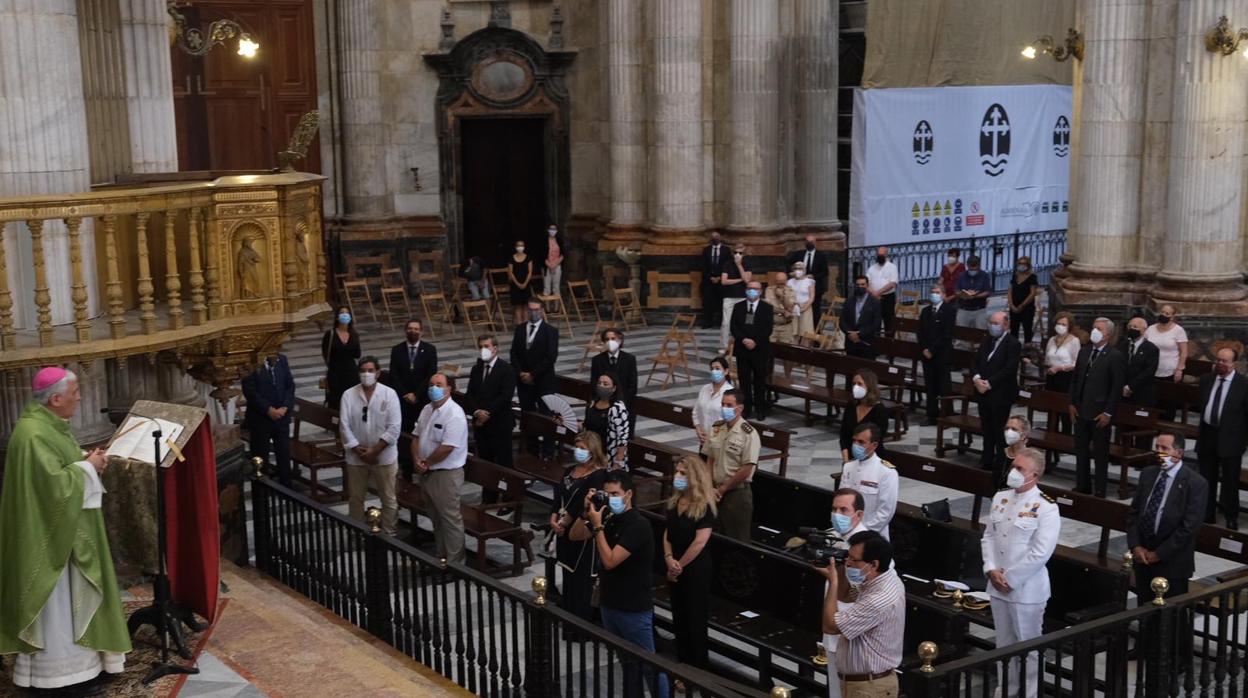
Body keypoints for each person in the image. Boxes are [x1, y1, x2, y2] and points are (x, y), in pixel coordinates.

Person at [0, 367, 130, 690]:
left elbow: (59, 467)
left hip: (63, 532)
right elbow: (52, 487)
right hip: (48, 540)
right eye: (74, 392)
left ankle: (82, 670)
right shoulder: (33, 434)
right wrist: (89, 467)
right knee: (58, 610)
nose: (80, 397)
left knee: (71, 605)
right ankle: (59, 678)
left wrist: (83, 460)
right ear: (55, 398)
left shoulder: (48, 424)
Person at [571, 471, 669, 698]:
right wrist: (586, 511)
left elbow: (610, 560)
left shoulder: (638, 525)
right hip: (609, 603)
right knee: (627, 664)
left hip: (633, 608)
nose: (611, 498)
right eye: (607, 494)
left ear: (628, 495)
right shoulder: (606, 517)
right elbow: (575, 536)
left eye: (615, 494)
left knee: (649, 665)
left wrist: (597, 528)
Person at [981, 448, 1060, 698]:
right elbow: (989, 536)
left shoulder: (1046, 507)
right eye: (1013, 466)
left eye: (1020, 469)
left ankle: (1029, 693)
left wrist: (1010, 578)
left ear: (1034, 475)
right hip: (997, 585)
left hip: (1026, 589)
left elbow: (1040, 552)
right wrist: (991, 569)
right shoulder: (1000, 497)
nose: (1013, 472)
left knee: (1028, 647)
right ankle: (1006, 689)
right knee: (1003, 645)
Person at [816, 531, 905, 698]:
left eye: (853, 560)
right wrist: (841, 568)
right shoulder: (881, 579)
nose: (848, 562)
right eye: (847, 557)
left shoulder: (879, 599)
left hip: (869, 688)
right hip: (862, 684)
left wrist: (832, 581)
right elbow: (846, 595)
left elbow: (829, 626)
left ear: (873, 564)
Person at [1128, 432, 1206, 599]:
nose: (1159, 452)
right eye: (1157, 447)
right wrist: (1136, 546)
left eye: (1165, 448)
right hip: (1143, 558)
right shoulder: (1148, 473)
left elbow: (1189, 527)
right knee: (1144, 612)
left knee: (1169, 619)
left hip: (1172, 563)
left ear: (1179, 452)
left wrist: (1159, 554)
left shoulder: (1195, 483)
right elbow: (1134, 513)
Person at [663, 455, 717, 672]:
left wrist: (679, 565)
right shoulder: (675, 501)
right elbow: (668, 532)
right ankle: (682, 663)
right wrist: (668, 559)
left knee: (695, 618)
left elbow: (700, 542)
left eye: (683, 473)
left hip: (694, 568)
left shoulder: (704, 506)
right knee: (679, 616)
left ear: (694, 477)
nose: (677, 476)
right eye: (677, 472)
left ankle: (697, 669)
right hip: (674, 564)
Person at [339, 356, 402, 535]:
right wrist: (356, 448)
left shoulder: (389, 394)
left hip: (384, 456)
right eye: (363, 370)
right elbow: (344, 425)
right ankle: (356, 532)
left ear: (378, 373)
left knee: (388, 498)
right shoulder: (349, 395)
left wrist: (375, 450)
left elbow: (394, 427)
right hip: (356, 456)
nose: (366, 374)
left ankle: (390, 533)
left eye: (370, 370)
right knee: (356, 497)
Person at [551, 432, 609, 623]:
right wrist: (554, 519)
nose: (579, 451)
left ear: (593, 451)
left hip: (581, 529)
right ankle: (568, 620)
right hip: (561, 529)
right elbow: (558, 495)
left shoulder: (598, 475)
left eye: (583, 448)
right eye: (577, 447)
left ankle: (580, 626)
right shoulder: (569, 471)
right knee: (568, 578)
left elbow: (583, 505)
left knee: (581, 582)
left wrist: (565, 521)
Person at [412, 372, 469, 565]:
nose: (433, 388)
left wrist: (426, 461)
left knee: (450, 520)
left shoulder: (455, 414)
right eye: (431, 384)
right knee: (436, 519)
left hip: (445, 474)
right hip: (426, 471)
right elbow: (416, 436)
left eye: (438, 384)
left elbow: (448, 446)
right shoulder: (427, 409)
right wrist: (417, 458)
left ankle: (455, 563)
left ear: (449, 389)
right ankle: (441, 556)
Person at [823, 488, 871, 698]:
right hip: (832, 620)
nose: (837, 515)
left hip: (855, 627)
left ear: (858, 514)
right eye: (834, 509)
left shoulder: (869, 545)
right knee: (835, 688)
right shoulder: (830, 537)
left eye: (844, 510)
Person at [1069, 318, 1125, 497]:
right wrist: (1071, 403)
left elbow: (1116, 388)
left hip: (1100, 412)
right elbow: (1075, 379)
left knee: (1100, 454)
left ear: (1107, 334)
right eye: (1093, 327)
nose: (1094, 331)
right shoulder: (1084, 352)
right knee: (1081, 451)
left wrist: (1108, 412)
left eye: (1098, 329)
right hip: (1080, 410)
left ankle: (1100, 488)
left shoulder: (1115, 356)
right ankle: (1082, 485)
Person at [1196, 346, 1248, 528]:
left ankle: (1230, 516)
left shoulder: (1243, 385)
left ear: (1234, 364)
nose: (1220, 364)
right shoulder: (1206, 380)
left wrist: (1243, 441)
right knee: (1206, 479)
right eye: (1218, 360)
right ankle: (1207, 514)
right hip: (1208, 434)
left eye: (1224, 361)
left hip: (1231, 439)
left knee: (1230, 481)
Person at [706, 390, 759, 541]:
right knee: (713, 536)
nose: (724, 408)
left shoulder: (749, 434)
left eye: (729, 405)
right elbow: (710, 459)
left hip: (736, 494)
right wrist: (709, 485)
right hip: (714, 491)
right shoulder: (717, 427)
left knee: (736, 538)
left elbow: (746, 468)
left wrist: (723, 489)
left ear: (740, 408)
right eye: (723, 404)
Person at [388, 319, 438, 477]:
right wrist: (405, 393)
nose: (413, 331)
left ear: (421, 331)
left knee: (421, 434)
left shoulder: (429, 350)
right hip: (402, 401)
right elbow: (394, 375)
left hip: (421, 400)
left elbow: (430, 374)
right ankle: (406, 467)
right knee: (404, 433)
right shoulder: (397, 350)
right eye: (410, 328)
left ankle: (420, 464)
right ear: (405, 330)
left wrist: (417, 394)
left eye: (416, 329)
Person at [973, 311, 1021, 470]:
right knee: (986, 428)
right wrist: (977, 378)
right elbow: (977, 361)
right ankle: (986, 459)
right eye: (991, 323)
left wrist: (989, 383)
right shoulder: (986, 340)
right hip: (982, 392)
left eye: (996, 323)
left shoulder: (1013, 343)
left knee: (999, 429)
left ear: (1006, 324)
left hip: (1000, 393)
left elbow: (1009, 369)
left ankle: (1001, 461)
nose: (992, 326)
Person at [241, 351, 296, 486]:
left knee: (283, 454)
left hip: (281, 417)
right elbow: (250, 391)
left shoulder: (282, 359)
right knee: (261, 456)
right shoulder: (251, 363)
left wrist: (285, 407)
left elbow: (290, 386)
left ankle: (286, 486)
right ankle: (262, 487)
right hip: (261, 419)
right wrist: (268, 410)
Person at [839, 424, 898, 541]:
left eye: (861, 442)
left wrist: (861, 534)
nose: (855, 445)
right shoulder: (848, 467)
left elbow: (885, 512)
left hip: (872, 537)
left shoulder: (886, 472)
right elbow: (841, 503)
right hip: (846, 532)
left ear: (874, 445)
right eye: (854, 441)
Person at [466, 334, 516, 470]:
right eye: (481, 347)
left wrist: (487, 413)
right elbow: (470, 394)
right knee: (486, 465)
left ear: (495, 348)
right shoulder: (476, 369)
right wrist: (477, 411)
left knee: (504, 463)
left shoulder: (506, 369)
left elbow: (505, 396)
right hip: (481, 425)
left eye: (486, 346)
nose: (483, 349)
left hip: (499, 423)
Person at [731, 280, 775, 420]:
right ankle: (746, 409)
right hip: (742, 349)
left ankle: (760, 409)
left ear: (760, 291)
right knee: (744, 382)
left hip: (759, 349)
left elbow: (768, 329)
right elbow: (734, 327)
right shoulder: (738, 306)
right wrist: (744, 339)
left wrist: (755, 341)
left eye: (755, 289)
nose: (752, 291)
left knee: (759, 381)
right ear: (746, 290)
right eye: (749, 288)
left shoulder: (767, 308)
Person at [511, 297, 560, 419]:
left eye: (536, 309)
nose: (533, 313)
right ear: (527, 310)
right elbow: (513, 353)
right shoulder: (520, 329)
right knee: (528, 416)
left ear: (542, 310)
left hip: (543, 381)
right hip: (523, 382)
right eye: (531, 310)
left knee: (547, 416)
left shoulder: (551, 331)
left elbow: (551, 357)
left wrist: (532, 374)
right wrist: (520, 372)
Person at [917, 284, 957, 425]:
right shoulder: (926, 311)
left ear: (944, 295)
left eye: (937, 292)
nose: (934, 294)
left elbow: (946, 335)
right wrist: (924, 349)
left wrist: (932, 350)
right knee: (930, 386)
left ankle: (947, 415)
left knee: (944, 386)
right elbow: (920, 332)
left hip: (941, 354)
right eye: (932, 292)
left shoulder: (949, 311)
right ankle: (931, 415)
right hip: (926, 355)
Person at [583, 371, 631, 470]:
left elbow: (622, 438)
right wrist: (566, 421)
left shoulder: (617, 408)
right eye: (599, 383)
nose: (601, 386)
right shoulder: (593, 403)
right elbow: (586, 425)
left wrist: (618, 462)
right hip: (591, 454)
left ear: (614, 388)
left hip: (608, 458)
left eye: (605, 384)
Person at [839, 370, 890, 463]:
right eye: (854, 384)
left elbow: (878, 439)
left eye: (859, 384)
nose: (856, 387)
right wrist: (846, 461)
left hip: (872, 458)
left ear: (869, 386)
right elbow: (843, 435)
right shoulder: (851, 405)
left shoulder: (879, 410)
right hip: (850, 457)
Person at [1044, 312, 1082, 434]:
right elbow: (1047, 359)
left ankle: (1066, 436)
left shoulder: (1074, 341)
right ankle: (1051, 434)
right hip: (1051, 377)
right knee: (1051, 408)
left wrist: (1060, 368)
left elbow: (1077, 363)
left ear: (1069, 326)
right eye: (1058, 323)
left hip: (1066, 378)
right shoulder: (1051, 340)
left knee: (1065, 410)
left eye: (1063, 324)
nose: (1060, 326)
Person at [591, 327, 639, 422]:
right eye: (607, 339)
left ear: (620, 340)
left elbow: (632, 385)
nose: (610, 342)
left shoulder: (629, 359)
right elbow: (594, 383)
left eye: (613, 339)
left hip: (624, 404)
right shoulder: (597, 360)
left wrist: (622, 403)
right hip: (604, 404)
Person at [322, 305, 361, 409]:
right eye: (342, 313)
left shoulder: (354, 334)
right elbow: (326, 355)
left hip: (351, 373)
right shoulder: (330, 334)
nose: (345, 315)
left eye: (347, 313)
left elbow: (358, 354)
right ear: (337, 317)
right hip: (335, 374)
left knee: (352, 403)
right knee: (336, 402)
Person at [691, 356, 733, 452]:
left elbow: (730, 418)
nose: (714, 371)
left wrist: (714, 435)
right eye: (712, 369)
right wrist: (698, 428)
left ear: (726, 371)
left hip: (721, 443)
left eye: (717, 369)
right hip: (704, 440)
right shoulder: (705, 388)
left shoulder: (730, 392)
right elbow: (696, 411)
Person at [1120, 314, 1160, 407]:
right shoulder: (1122, 345)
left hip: (1141, 392)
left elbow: (1148, 372)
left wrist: (1129, 387)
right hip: (1120, 390)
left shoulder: (1151, 349)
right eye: (1130, 326)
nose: (1132, 329)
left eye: (1135, 327)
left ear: (1143, 330)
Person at [788, 234, 830, 320]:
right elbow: (788, 264)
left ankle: (815, 329)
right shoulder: (799, 254)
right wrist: (793, 273)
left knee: (815, 309)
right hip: (799, 286)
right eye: (807, 242)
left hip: (815, 286)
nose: (809, 243)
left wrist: (813, 276)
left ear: (815, 242)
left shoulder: (821, 256)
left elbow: (825, 272)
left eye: (811, 242)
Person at [719, 243, 752, 350]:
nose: (737, 255)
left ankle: (742, 345)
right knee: (725, 323)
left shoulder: (747, 264)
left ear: (744, 254)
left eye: (740, 253)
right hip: (729, 297)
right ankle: (723, 347)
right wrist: (739, 280)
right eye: (735, 252)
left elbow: (747, 280)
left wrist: (739, 265)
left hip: (743, 297)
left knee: (745, 322)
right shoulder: (727, 264)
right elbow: (724, 281)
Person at [842, 275, 881, 359]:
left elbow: (876, 324)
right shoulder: (848, 301)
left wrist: (859, 334)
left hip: (866, 343)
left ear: (867, 285)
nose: (860, 287)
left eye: (863, 284)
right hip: (851, 342)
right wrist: (850, 333)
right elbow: (842, 321)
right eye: (858, 284)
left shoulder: (875, 302)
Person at [866, 246, 899, 335]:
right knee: (875, 321)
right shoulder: (872, 268)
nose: (880, 256)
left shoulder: (892, 267)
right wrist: (873, 293)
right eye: (878, 255)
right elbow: (866, 283)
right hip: (874, 298)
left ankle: (888, 344)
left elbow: (892, 283)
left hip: (887, 298)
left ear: (886, 255)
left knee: (889, 322)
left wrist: (878, 292)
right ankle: (876, 343)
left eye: (882, 255)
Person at [955, 255, 992, 329]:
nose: (972, 271)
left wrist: (975, 296)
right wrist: (963, 295)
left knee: (980, 334)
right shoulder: (961, 276)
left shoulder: (984, 276)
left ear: (979, 265)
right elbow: (956, 290)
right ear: (967, 266)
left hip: (979, 310)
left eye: (975, 269)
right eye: (970, 268)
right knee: (961, 334)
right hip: (964, 309)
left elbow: (987, 291)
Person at [1007, 256, 1038, 344]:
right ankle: (1013, 349)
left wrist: (1022, 305)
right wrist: (1011, 305)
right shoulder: (1015, 276)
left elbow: (1032, 293)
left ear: (1028, 265)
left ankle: (1027, 352)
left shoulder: (1032, 277)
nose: (1021, 265)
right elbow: (1010, 291)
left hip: (1027, 308)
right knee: (1013, 329)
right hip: (1014, 307)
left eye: (1024, 263)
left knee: (1027, 329)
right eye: (1020, 263)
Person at [700, 232, 727, 329]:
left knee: (721, 302)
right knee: (707, 302)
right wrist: (710, 277)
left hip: (722, 280)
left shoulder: (726, 250)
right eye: (713, 237)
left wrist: (720, 277)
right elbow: (702, 266)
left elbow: (727, 265)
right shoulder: (706, 250)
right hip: (708, 280)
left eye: (717, 236)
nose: (715, 238)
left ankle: (721, 323)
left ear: (720, 238)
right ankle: (708, 322)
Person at [766, 270, 798, 346]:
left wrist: (782, 298)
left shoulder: (791, 291)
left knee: (786, 350)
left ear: (786, 281)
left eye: (782, 283)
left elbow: (790, 309)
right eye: (778, 283)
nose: (780, 285)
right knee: (769, 349)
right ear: (775, 281)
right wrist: (784, 312)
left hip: (786, 326)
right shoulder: (769, 290)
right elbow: (769, 307)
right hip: (772, 326)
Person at [507, 239, 534, 325]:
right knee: (517, 306)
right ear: (515, 247)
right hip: (515, 284)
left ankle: (526, 324)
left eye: (522, 245)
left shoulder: (528, 257)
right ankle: (519, 325)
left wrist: (525, 283)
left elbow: (530, 272)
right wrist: (517, 283)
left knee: (526, 306)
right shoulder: (511, 258)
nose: (520, 247)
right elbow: (510, 272)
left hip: (526, 283)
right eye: (518, 245)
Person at [789, 261, 817, 336]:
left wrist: (804, 308)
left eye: (800, 269)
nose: (798, 271)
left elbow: (812, 297)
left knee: (806, 333)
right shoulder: (789, 282)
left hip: (806, 307)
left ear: (804, 270)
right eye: (796, 268)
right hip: (793, 307)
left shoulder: (810, 281)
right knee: (793, 332)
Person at [543, 224, 564, 297]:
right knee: (547, 287)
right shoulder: (544, 240)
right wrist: (549, 265)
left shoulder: (560, 240)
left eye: (554, 229)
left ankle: (557, 307)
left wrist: (555, 265)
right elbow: (541, 255)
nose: (552, 231)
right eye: (551, 229)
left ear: (557, 230)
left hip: (557, 265)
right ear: (548, 230)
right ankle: (547, 307)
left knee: (556, 287)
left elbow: (563, 254)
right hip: (547, 266)